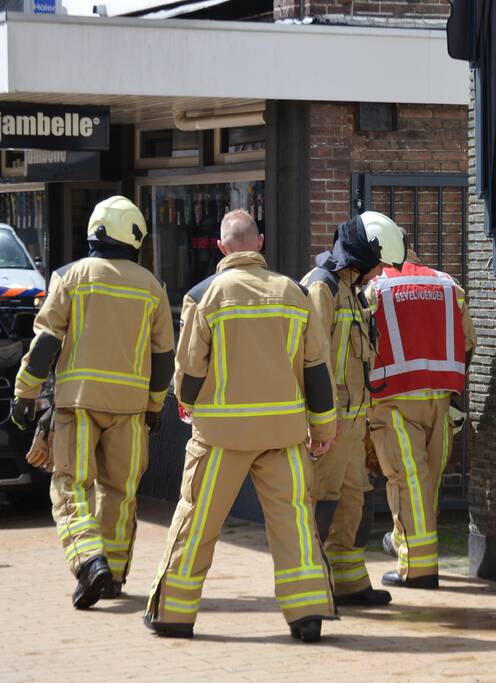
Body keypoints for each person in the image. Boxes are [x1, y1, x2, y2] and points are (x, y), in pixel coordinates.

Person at [144, 210, 339, 642]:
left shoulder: (204, 295)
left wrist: (189, 404)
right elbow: (317, 370)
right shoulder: (294, 293)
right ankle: (307, 613)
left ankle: (174, 614)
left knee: (197, 521)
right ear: (260, 243)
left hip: (220, 437)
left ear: (221, 247)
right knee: (294, 524)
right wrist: (323, 430)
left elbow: (190, 369)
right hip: (284, 436)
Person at [10, 196, 174, 608]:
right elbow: (162, 361)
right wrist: (154, 408)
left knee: (71, 486)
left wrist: (25, 395)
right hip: (131, 411)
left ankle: (89, 561)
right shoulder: (153, 288)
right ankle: (114, 575)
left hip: (78, 405)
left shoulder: (72, 277)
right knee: (121, 492)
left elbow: (46, 343)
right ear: (135, 237)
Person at [301, 211, 406, 606]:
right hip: (332, 424)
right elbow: (314, 361)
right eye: (377, 263)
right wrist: (321, 424)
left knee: (352, 499)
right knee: (320, 499)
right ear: (362, 255)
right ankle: (309, 587)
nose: (379, 271)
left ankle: (347, 582)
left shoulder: (348, 289)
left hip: (352, 419)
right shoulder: (322, 288)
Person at [367, 247, 477, 589]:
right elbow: (469, 343)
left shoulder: (373, 288)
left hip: (394, 399)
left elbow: (359, 344)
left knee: (407, 481)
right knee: (425, 481)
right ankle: (406, 547)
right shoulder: (448, 285)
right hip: (440, 400)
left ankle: (417, 569)